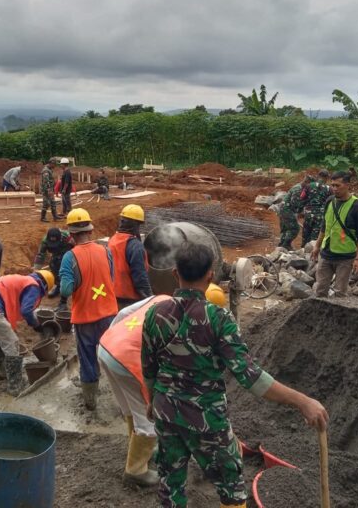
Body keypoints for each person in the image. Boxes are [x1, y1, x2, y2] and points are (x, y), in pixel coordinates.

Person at [141, 242, 329, 508]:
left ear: (175, 273)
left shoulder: (154, 313)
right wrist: (303, 401)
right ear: (210, 275)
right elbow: (251, 378)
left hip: (165, 411)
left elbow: (148, 368)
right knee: (231, 486)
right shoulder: (218, 319)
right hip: (205, 418)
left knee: (170, 484)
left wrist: (151, 400)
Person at [98, 284, 227, 488]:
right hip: (127, 361)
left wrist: (116, 336)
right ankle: (135, 471)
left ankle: (140, 449)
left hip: (107, 347)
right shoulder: (185, 324)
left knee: (130, 408)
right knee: (147, 416)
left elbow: (124, 312)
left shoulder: (162, 298)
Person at [59, 208, 118, 410]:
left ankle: (90, 400)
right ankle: (122, 396)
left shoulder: (69, 257)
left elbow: (66, 290)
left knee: (87, 357)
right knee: (113, 354)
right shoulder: (106, 251)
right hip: (109, 313)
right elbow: (111, 279)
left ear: (71, 234)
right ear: (90, 231)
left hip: (85, 317)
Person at [0, 270, 54, 395]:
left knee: (1, 338)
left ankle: (2, 372)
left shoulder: (24, 280)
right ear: (45, 286)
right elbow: (26, 310)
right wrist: (36, 325)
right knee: (12, 343)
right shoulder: (34, 286)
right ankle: (15, 386)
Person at [311, 171, 358, 297]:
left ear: (347, 185)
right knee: (320, 289)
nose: (334, 189)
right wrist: (317, 246)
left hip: (345, 257)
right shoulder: (329, 201)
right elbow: (324, 225)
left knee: (340, 293)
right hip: (326, 254)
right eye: (332, 185)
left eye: (338, 185)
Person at [108, 204, 153, 310]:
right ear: (135, 224)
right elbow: (140, 278)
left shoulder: (113, 240)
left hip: (114, 296)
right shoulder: (135, 246)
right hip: (130, 301)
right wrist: (150, 299)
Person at [33, 227, 75, 310]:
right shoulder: (45, 241)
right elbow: (40, 256)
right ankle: (58, 287)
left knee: (64, 271)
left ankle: (63, 300)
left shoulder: (68, 237)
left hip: (67, 251)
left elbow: (77, 247)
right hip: (56, 254)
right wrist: (36, 271)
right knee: (53, 266)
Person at [278, 176, 311, 249]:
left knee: (285, 229)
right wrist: (301, 210)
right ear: (306, 182)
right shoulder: (298, 189)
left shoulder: (299, 187)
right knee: (294, 229)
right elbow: (295, 204)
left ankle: (281, 246)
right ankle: (286, 245)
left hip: (284, 208)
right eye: (309, 185)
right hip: (287, 209)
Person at [302, 170, 331, 246]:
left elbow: (302, 197)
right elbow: (331, 201)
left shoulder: (308, 186)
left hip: (308, 213)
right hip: (320, 215)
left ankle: (303, 249)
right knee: (315, 237)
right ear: (326, 178)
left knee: (306, 234)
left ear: (318, 176)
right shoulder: (329, 188)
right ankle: (312, 250)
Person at [40, 158, 63, 223]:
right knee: (46, 203)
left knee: (53, 202)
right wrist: (49, 190)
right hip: (46, 190)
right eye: (55, 164)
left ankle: (55, 216)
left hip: (50, 189)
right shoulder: (46, 170)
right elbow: (46, 181)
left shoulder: (49, 169)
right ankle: (43, 217)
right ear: (51, 163)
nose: (55, 166)